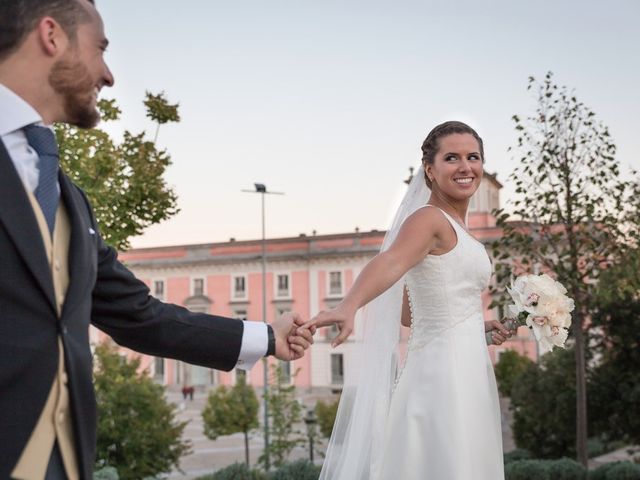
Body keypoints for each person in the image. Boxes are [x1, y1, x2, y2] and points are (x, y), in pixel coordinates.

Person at [0, 1, 314, 478]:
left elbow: (139, 316)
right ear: (51, 35)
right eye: (100, 49)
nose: (108, 75)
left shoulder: (68, 197)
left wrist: (269, 338)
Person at [306, 121, 513, 479]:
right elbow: (390, 261)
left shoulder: (458, 229)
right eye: (452, 158)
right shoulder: (429, 219)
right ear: (430, 171)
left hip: (466, 367)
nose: (466, 167)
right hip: (442, 376)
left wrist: (473, 329)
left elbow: (409, 312)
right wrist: (349, 304)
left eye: (473, 157)